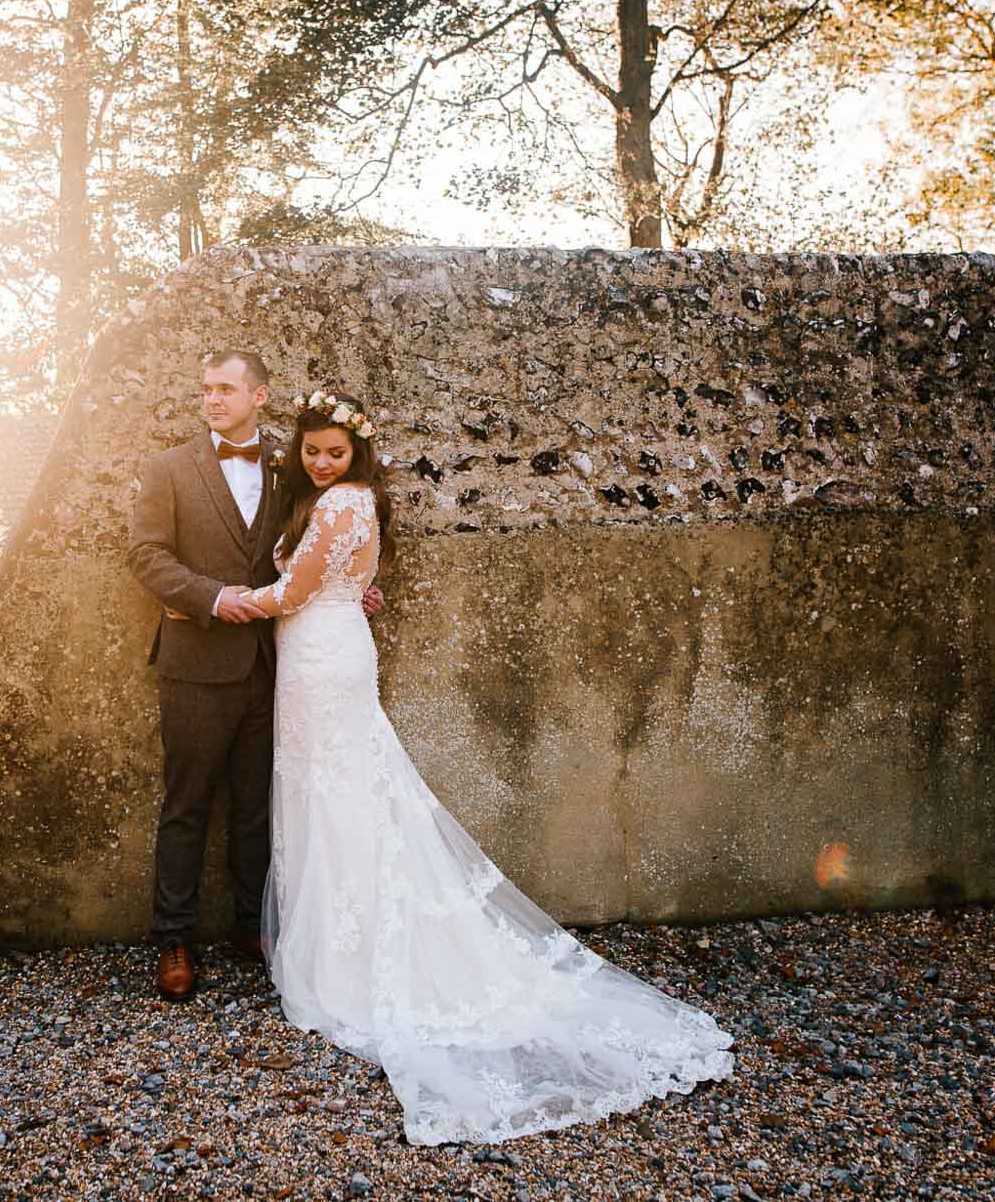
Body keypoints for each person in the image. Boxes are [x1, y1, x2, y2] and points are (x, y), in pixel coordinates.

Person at [227, 387, 735, 1145]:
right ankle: (337, 941)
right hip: (319, 656)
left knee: (341, 794)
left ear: (357, 452)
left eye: (336, 452)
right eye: (312, 452)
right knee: (332, 791)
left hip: (322, 659)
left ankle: (352, 960)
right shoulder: (344, 503)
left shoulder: (341, 503)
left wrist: (227, 600)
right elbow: (344, 581)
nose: (323, 462)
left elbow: (295, 591)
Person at [126, 351, 380, 1003]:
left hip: (273, 664)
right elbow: (145, 554)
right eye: (206, 389)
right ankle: (174, 938)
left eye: (225, 389)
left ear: (259, 395)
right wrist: (210, 597)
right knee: (186, 805)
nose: (212, 399)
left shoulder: (289, 466)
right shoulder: (168, 468)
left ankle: (252, 927)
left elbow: (313, 543)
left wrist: (352, 587)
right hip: (196, 663)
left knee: (256, 805)